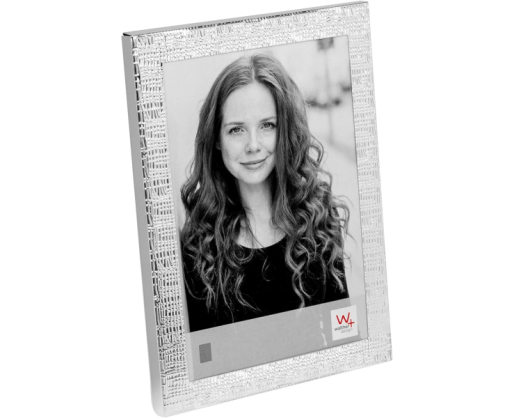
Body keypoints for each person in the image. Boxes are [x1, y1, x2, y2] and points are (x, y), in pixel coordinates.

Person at [180, 53, 350, 332]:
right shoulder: (196, 246)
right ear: (217, 139)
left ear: (285, 131)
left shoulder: (318, 217)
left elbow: (343, 330)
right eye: (236, 130)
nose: (253, 145)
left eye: (267, 125)